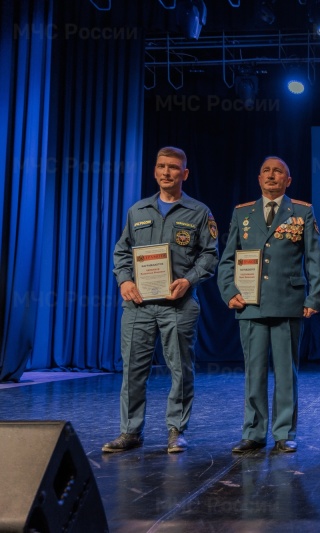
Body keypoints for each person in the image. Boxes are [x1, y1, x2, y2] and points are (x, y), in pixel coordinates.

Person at [105, 146, 219, 454]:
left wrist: (189, 280)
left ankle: (176, 430)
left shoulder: (199, 212)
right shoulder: (137, 211)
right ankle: (130, 432)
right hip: (139, 305)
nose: (166, 172)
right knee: (132, 370)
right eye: (161, 166)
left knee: (181, 369)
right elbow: (122, 252)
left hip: (178, 306)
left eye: (172, 167)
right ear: (155, 171)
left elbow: (210, 256)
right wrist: (125, 280)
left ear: (184, 174)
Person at [217, 156, 320, 454]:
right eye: (266, 170)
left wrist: (315, 296)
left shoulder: (302, 211)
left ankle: (283, 432)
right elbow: (228, 259)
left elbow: (314, 258)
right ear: (258, 178)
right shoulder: (243, 213)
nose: (271, 175)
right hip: (250, 304)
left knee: (285, 372)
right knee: (254, 372)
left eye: (278, 171)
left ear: (288, 181)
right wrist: (229, 291)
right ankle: (253, 432)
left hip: (288, 302)